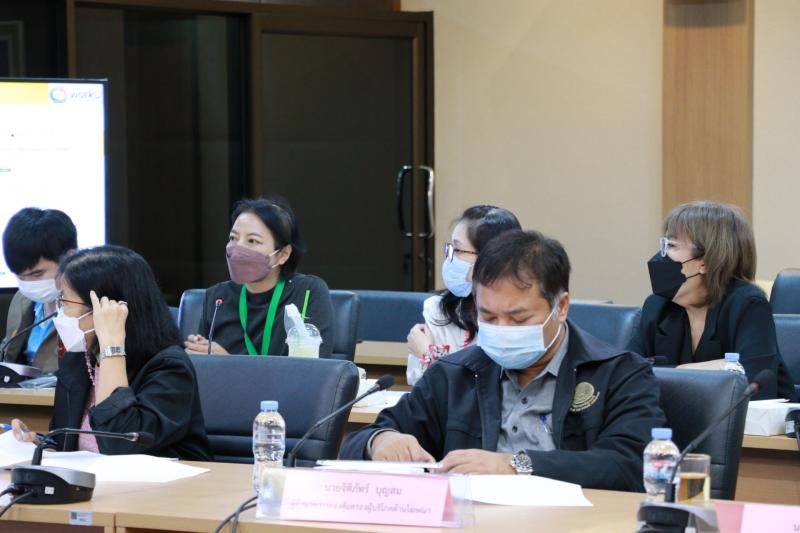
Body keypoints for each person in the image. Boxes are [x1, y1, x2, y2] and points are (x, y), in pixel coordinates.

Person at [341, 230, 666, 492]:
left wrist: (516, 464)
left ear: (562, 306)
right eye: (488, 317)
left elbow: (631, 464)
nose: (503, 329)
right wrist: (380, 441)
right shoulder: (455, 374)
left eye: (519, 318)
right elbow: (360, 441)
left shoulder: (620, 374)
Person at [11, 245, 212, 460]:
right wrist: (42, 446)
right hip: (95, 479)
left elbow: (119, 444)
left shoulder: (169, 367)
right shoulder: (78, 360)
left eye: (65, 302)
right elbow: (67, 443)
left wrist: (111, 348)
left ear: (107, 308)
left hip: (166, 481)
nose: (60, 312)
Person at [628, 201, 796, 400]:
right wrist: (708, 369)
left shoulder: (748, 306)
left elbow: (750, 386)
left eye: (671, 245)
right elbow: (625, 374)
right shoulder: (657, 306)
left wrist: (664, 373)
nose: (660, 255)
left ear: (705, 262)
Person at [185, 197, 333, 356]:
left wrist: (229, 363)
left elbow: (314, 368)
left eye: (252, 240)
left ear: (283, 254)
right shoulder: (216, 298)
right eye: (233, 238)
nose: (237, 248)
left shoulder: (308, 292)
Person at [406, 205, 521, 385]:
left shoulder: (520, 316)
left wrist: (428, 354)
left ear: (492, 257)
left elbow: (489, 388)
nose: (450, 258)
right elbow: (420, 384)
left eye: (458, 250)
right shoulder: (439, 310)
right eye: (451, 248)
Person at [1, 208, 78, 372]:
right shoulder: (21, 300)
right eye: (20, 277)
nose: (28, 284)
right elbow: (7, 352)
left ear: (70, 258)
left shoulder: (87, 308)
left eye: (37, 274)